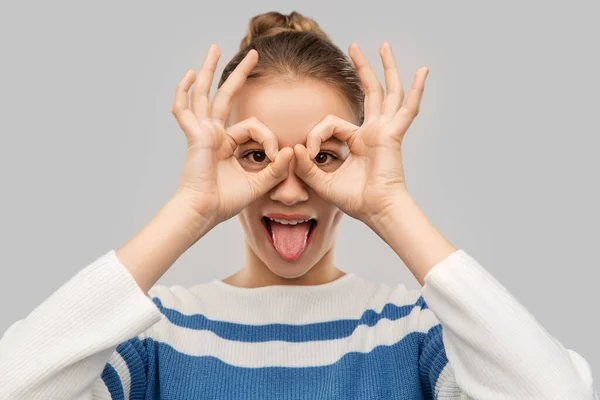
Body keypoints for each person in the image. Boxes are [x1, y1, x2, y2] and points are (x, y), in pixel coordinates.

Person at [0, 10, 596, 400]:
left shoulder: (415, 336)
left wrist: (391, 206)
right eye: (256, 157)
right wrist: (190, 206)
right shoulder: (160, 337)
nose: (289, 191)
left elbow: (558, 394)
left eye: (326, 157)